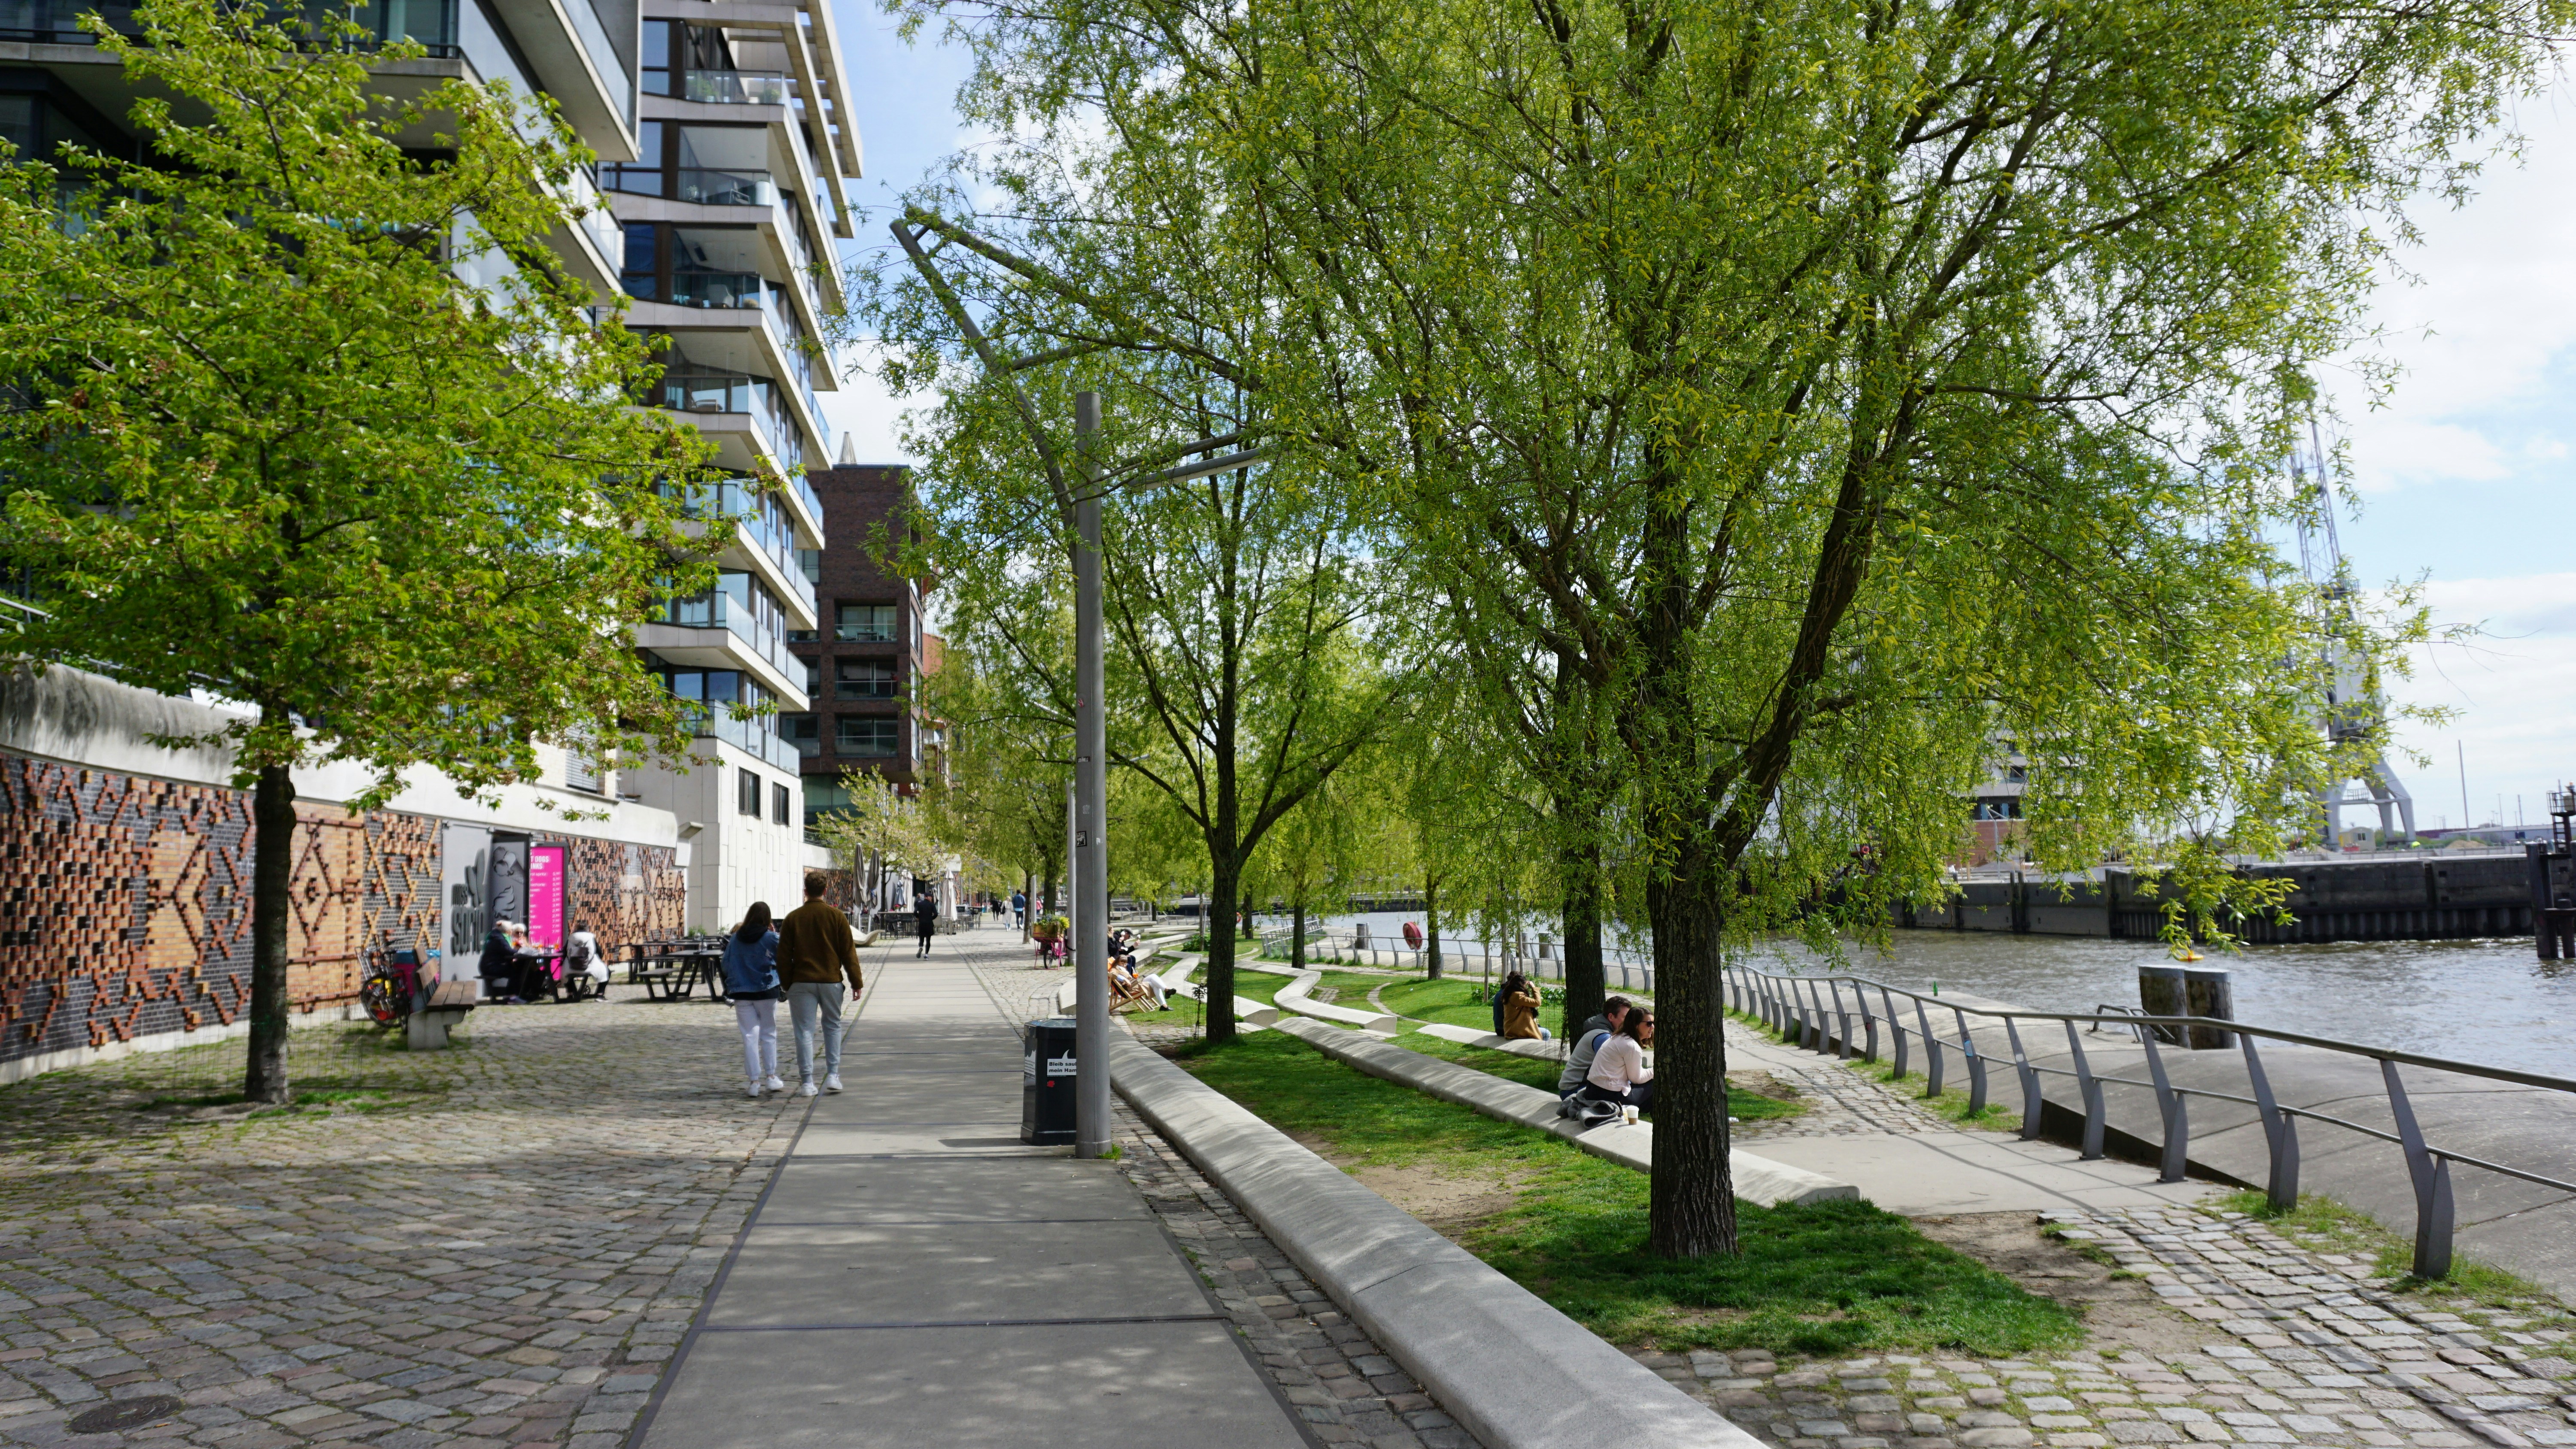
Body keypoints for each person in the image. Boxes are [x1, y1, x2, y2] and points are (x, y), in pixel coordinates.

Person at [777, 874, 864, 1096]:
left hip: (801, 981)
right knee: (833, 1026)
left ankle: (807, 1082)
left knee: (804, 1032)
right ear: (826, 891)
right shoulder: (837, 916)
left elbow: (783, 956)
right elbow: (848, 953)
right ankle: (833, 1075)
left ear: (805, 891)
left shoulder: (793, 918)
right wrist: (856, 982)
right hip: (830, 980)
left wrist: (787, 984)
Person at [721, 902, 785, 1098]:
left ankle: (754, 1082)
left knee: (749, 1036)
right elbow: (785, 958)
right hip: (766, 990)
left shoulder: (735, 939)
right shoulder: (770, 938)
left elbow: (725, 965)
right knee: (769, 1033)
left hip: (741, 992)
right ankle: (771, 1077)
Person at [1579, 1008, 1654, 1113]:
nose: (1653, 1027)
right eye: (1649, 1024)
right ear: (1636, 1025)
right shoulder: (1631, 1046)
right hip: (1610, 1097)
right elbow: (1637, 1079)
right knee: (1656, 1082)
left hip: (1592, 1092)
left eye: (1653, 1023)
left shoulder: (1618, 1037)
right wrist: (1655, 1071)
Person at [1557, 996, 1633, 1097]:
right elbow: (1616, 1069)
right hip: (1574, 1090)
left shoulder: (1605, 1033)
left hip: (1580, 1087)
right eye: (1625, 1018)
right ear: (1611, 1017)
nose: (1629, 1022)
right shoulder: (1603, 1037)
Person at [476, 921, 520, 1002]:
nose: (512, 932)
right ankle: (510, 997)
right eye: (511, 930)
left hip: (488, 966)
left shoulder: (495, 936)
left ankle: (513, 996)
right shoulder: (499, 939)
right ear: (507, 931)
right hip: (491, 967)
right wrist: (522, 951)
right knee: (516, 971)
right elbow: (509, 951)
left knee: (516, 969)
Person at [565, 921, 609, 1000]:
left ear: (576, 929)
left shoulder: (570, 938)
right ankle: (600, 994)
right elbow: (599, 952)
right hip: (589, 966)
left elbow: (564, 952)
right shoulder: (591, 938)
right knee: (607, 971)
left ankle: (571, 994)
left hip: (572, 967)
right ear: (587, 929)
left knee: (566, 973)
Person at [1499, 972, 1548, 1040]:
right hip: (1519, 1031)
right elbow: (1538, 1003)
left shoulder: (1509, 994)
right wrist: (1534, 988)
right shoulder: (1519, 996)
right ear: (1523, 985)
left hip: (1511, 1029)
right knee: (1547, 1034)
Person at [914, 889, 937, 958]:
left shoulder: (919, 904)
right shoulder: (932, 905)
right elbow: (936, 914)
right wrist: (931, 918)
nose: (931, 898)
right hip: (929, 924)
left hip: (922, 923)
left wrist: (918, 917)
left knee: (921, 938)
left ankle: (921, 947)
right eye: (931, 897)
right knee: (928, 940)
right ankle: (926, 954)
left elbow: (915, 912)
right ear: (927, 897)